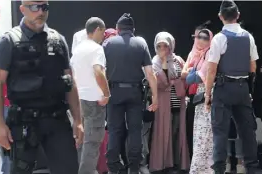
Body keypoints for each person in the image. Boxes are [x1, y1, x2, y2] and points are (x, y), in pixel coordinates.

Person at [0, 1, 83, 174]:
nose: (40, 12)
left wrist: (78, 120)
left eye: (44, 7)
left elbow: (69, 82)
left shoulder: (58, 40)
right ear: (22, 9)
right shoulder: (8, 41)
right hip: (23, 122)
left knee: (69, 169)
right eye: (35, 7)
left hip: (57, 120)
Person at [204, 0, 259, 173]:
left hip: (223, 87)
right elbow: (253, 68)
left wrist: (207, 95)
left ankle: (219, 169)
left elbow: (211, 69)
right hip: (242, 88)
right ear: (238, 16)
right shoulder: (248, 37)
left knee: (220, 132)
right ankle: (251, 168)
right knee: (247, 133)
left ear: (220, 16)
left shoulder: (219, 38)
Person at [103, 13, 158, 174]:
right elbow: (150, 73)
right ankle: (134, 167)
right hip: (135, 92)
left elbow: (100, 70)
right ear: (133, 29)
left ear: (118, 29)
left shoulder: (108, 43)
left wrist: (104, 92)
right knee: (135, 130)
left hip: (114, 92)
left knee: (114, 130)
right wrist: (155, 97)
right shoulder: (140, 44)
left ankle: (113, 166)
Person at [70, 17, 110, 174]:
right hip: (94, 100)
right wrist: (106, 93)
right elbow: (98, 71)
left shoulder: (77, 49)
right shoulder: (96, 49)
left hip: (79, 99)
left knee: (81, 139)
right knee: (93, 141)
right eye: (103, 32)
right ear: (98, 29)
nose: (104, 36)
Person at [149, 31, 190, 173]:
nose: (162, 49)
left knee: (178, 132)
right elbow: (163, 82)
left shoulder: (178, 59)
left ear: (171, 45)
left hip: (179, 102)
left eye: (165, 46)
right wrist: (165, 62)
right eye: (159, 46)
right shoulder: (155, 61)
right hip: (164, 103)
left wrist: (178, 81)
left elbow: (186, 78)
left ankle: (178, 163)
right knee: (164, 133)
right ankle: (165, 164)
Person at [183, 28, 214, 174]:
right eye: (199, 37)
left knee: (206, 135)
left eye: (205, 38)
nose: (201, 40)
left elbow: (193, 78)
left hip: (208, 98)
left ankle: (204, 169)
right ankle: (200, 169)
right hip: (200, 99)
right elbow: (185, 76)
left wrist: (191, 72)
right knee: (200, 136)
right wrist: (191, 72)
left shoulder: (210, 53)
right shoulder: (198, 55)